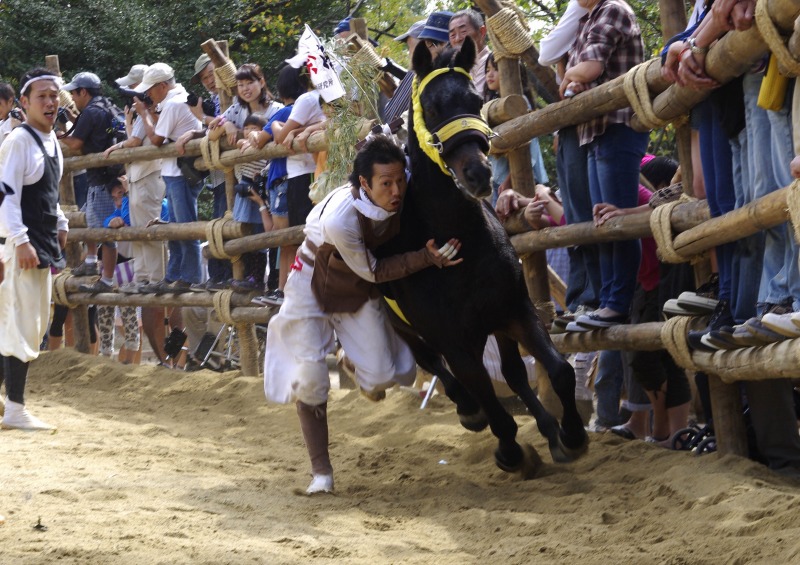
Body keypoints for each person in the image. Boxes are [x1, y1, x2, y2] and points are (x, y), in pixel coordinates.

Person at [264, 135, 462, 494]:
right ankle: (321, 473)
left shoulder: (399, 187)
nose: (396, 190)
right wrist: (425, 257)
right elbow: (374, 271)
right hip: (311, 280)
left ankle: (350, 360)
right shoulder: (342, 219)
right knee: (309, 377)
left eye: (400, 180)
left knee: (386, 376)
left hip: (355, 286)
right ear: (363, 184)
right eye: (386, 183)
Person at [562, 0, 648, 329]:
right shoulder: (588, 19)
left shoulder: (612, 9)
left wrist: (574, 74)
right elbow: (571, 81)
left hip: (618, 126)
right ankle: (610, 301)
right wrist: (574, 76)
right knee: (604, 222)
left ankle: (617, 303)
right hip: (596, 132)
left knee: (618, 218)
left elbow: (589, 69)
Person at [0, 68, 69, 430]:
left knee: (29, 324)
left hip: (42, 243)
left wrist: (61, 224)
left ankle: (11, 406)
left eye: (54, 96)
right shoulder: (18, 141)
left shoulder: (53, 141)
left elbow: (50, 194)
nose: (50, 102)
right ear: (24, 103)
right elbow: (6, 198)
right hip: (22, 245)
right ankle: (15, 409)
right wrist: (21, 241)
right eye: (42, 96)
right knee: (21, 327)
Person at [132, 63, 202, 293]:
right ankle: (173, 275)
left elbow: (156, 139)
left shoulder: (172, 104)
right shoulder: (177, 100)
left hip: (180, 174)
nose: (148, 94)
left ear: (163, 85)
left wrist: (143, 114)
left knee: (184, 226)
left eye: (151, 89)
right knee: (175, 226)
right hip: (177, 172)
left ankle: (189, 276)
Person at [60, 72, 123, 292]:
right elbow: (104, 133)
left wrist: (57, 134)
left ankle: (105, 280)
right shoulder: (107, 107)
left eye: (74, 93)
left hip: (100, 180)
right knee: (92, 222)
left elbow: (76, 143)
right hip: (110, 177)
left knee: (105, 232)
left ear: (83, 91)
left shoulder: (91, 112)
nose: (73, 98)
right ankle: (89, 262)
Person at [448, 9, 491, 93]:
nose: (457, 39)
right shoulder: (451, 67)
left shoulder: (491, 63)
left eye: (463, 32)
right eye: (452, 35)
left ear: (482, 32)